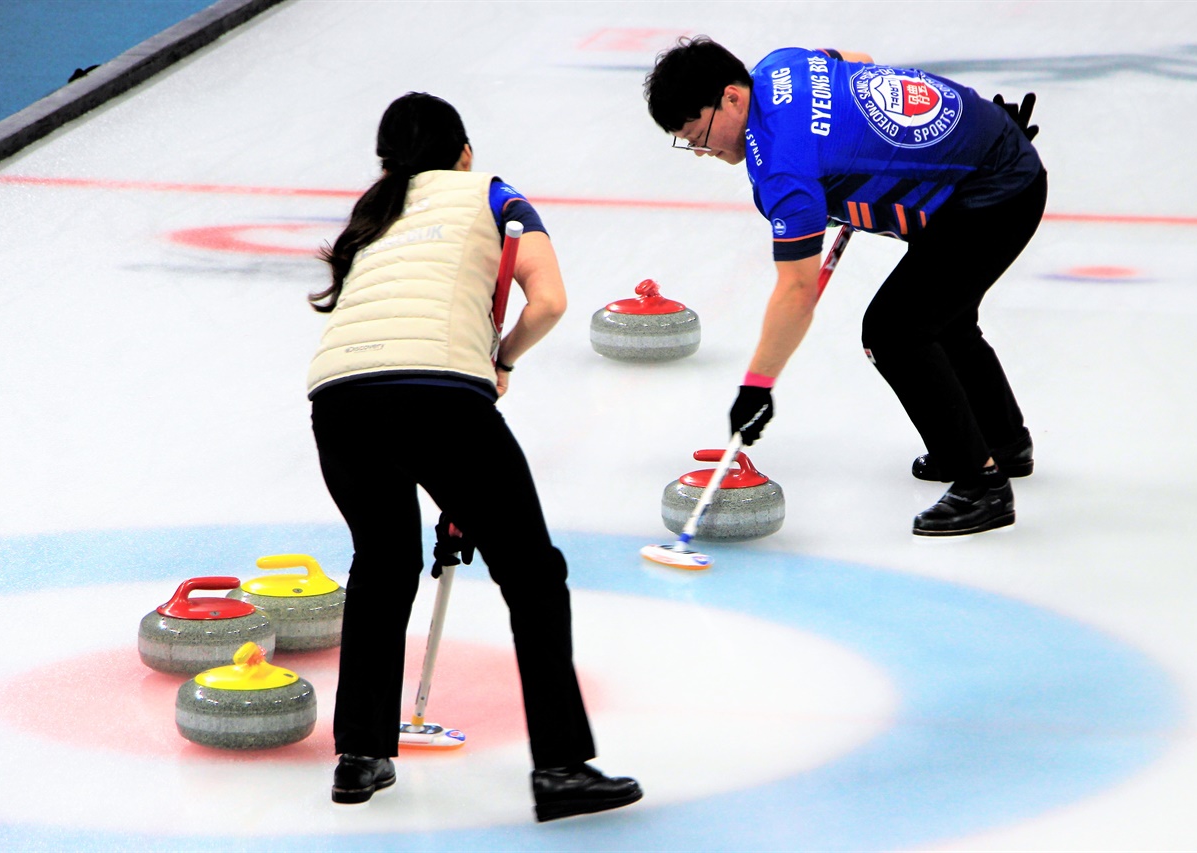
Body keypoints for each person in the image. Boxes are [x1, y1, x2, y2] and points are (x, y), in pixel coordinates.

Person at [307, 92, 642, 820]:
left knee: (384, 563)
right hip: (439, 394)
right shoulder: (492, 192)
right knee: (530, 571)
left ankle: (359, 755)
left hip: (337, 402)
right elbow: (548, 301)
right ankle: (561, 766)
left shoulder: (370, 214)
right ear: (464, 151)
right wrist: (503, 360)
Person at [644, 38, 1046, 536]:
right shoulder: (781, 63)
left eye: (698, 133)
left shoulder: (783, 170)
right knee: (943, 316)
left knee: (895, 332)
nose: (703, 150)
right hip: (993, 150)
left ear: (731, 97)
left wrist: (757, 386)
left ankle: (982, 486)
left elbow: (796, 292)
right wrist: (965, 135)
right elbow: (861, 66)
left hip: (996, 192)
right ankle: (1003, 444)